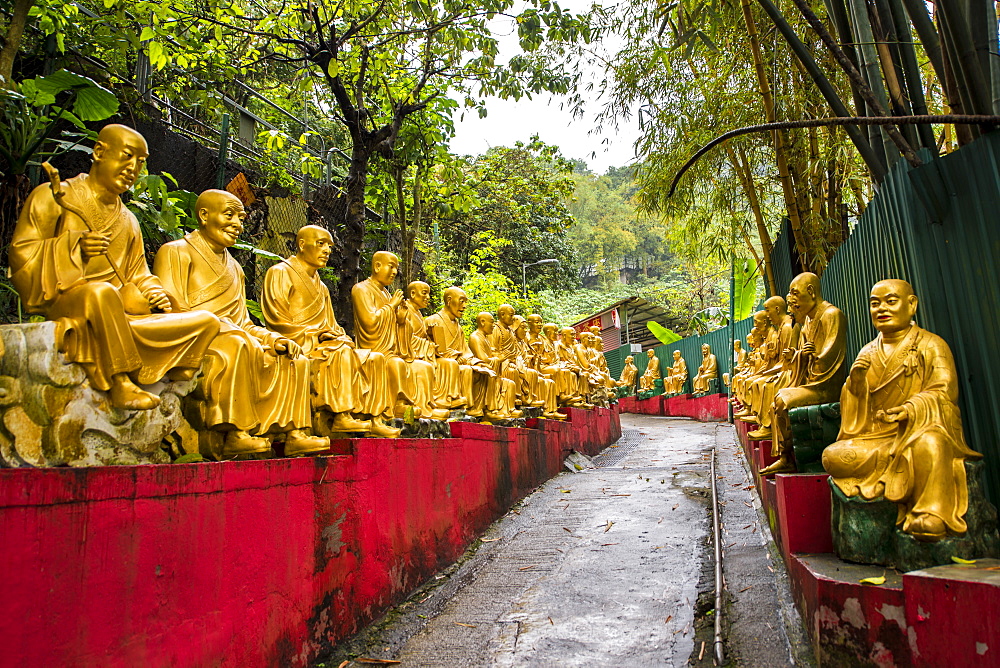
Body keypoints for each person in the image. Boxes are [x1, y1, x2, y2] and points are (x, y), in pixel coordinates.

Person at [10, 124, 220, 410]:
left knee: (206, 320)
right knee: (100, 293)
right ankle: (120, 380)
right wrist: (73, 248)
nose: (132, 168)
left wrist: (155, 292)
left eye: (140, 162)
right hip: (75, 301)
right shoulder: (55, 196)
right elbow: (23, 256)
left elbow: (139, 274)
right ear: (99, 152)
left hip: (123, 314)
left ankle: (176, 363)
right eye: (126, 156)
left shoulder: (129, 221)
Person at [154, 190, 328, 456]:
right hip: (200, 337)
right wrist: (222, 328)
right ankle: (236, 431)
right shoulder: (176, 253)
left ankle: (293, 433)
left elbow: (244, 322)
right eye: (229, 215)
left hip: (235, 335)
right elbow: (173, 312)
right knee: (238, 344)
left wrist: (274, 339)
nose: (238, 223)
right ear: (203, 215)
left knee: (293, 357)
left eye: (241, 217)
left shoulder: (235, 268)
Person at [822, 280, 980, 542]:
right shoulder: (868, 352)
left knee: (931, 445)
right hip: (877, 439)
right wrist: (857, 385)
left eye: (890, 301)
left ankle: (931, 513)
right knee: (832, 456)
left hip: (918, 431)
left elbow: (945, 391)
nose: (881, 308)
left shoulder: (931, 345)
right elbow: (854, 414)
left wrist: (911, 409)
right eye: (875, 303)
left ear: (912, 304)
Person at [260, 225, 399, 438]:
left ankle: (375, 418)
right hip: (301, 342)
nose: (327, 250)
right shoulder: (280, 273)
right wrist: (316, 336)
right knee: (339, 352)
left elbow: (332, 325)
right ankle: (342, 415)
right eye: (321, 244)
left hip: (324, 343)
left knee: (375, 358)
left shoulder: (322, 288)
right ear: (302, 244)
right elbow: (277, 320)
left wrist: (339, 336)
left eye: (330, 246)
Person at [761, 272, 847, 475]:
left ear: (811, 291)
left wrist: (810, 355)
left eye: (794, 293)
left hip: (824, 386)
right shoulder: (807, 322)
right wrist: (799, 355)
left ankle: (787, 457)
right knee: (778, 395)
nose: (790, 299)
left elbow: (829, 358)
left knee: (782, 399)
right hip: (808, 380)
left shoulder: (831, 315)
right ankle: (785, 456)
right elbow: (800, 355)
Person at [352, 251, 446, 420]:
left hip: (393, 350)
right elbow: (370, 322)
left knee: (423, 367)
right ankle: (398, 406)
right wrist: (391, 306)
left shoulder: (387, 295)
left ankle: (424, 407)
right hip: (373, 348)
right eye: (391, 266)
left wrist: (401, 321)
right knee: (396, 363)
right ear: (377, 266)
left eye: (396, 268)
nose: (395, 272)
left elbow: (399, 331)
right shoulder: (361, 289)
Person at [424, 287, 497, 418]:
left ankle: (472, 408)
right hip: (439, 363)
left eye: (465, 302)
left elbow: (466, 352)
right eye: (461, 301)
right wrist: (455, 356)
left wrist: (478, 363)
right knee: (461, 368)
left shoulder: (458, 327)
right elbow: (434, 348)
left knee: (479, 370)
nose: (464, 306)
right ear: (449, 300)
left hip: (455, 363)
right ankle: (450, 399)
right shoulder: (433, 320)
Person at [468, 313, 520, 419]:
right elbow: (483, 360)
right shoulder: (475, 337)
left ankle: (508, 409)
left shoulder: (486, 339)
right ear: (482, 322)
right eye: (491, 322)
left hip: (491, 370)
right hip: (481, 373)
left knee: (510, 383)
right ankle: (491, 409)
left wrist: (501, 358)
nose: (493, 325)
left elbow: (492, 357)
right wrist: (500, 359)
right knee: (491, 376)